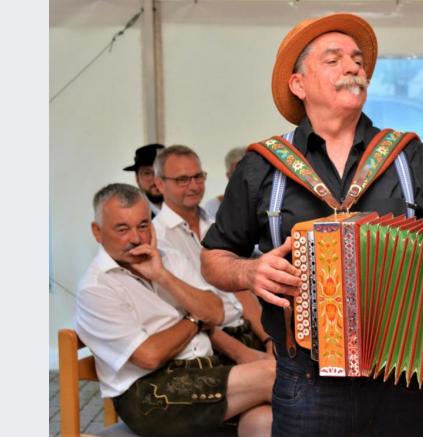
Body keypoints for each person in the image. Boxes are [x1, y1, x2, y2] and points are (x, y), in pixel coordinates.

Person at [200, 12, 423, 436]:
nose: (354, 66)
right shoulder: (262, 167)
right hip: (305, 384)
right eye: (334, 59)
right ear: (298, 84)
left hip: (402, 379)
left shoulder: (411, 158)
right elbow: (213, 258)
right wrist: (248, 270)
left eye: (357, 59)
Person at [75, 183, 274, 437]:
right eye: (122, 229)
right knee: (276, 374)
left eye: (143, 226)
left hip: (204, 369)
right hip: (148, 397)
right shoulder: (96, 287)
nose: (136, 238)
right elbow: (149, 356)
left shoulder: (168, 259)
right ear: (97, 232)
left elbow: (215, 313)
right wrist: (193, 320)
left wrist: (162, 276)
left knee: (264, 420)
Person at [153, 145, 273, 366]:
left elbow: (241, 291)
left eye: (198, 177)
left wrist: (268, 339)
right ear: (159, 184)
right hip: (211, 348)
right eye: (182, 180)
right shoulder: (157, 240)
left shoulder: (213, 224)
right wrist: (241, 354)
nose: (194, 186)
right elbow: (188, 313)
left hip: (248, 332)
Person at [203, 146, 247, 218]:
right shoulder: (213, 207)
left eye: (248, 172)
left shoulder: (266, 203)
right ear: (228, 176)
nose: (244, 178)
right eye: (237, 174)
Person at [123, 143, 164, 217]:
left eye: (160, 172)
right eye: (147, 173)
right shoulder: (129, 214)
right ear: (137, 178)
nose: (155, 179)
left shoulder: (187, 208)